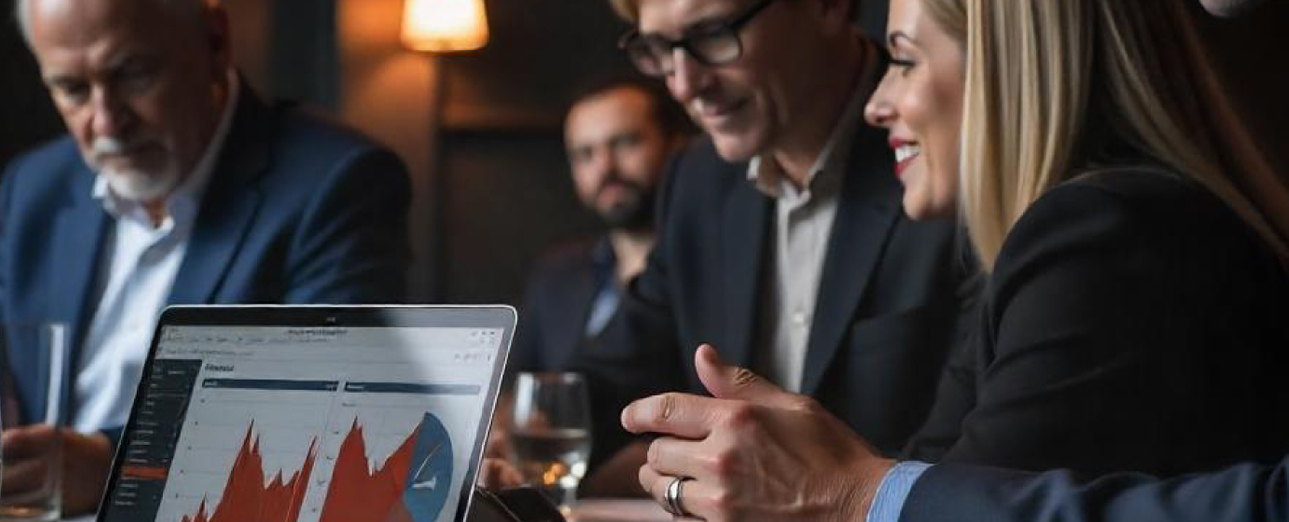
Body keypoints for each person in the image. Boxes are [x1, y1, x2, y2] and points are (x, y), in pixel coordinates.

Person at [620, 0, 1289, 520]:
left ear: (1011, 73)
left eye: (904, 61)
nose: (878, 103)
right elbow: (930, 474)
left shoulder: (1102, 238)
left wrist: (832, 493)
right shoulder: (1066, 235)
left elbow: (910, 503)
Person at [0, 0, 411, 515]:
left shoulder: (337, 183)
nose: (106, 122)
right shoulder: (35, 187)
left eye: (134, 74)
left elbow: (323, 418)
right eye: (72, 89)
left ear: (214, 43)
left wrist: (113, 465)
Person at [574, 0, 970, 481]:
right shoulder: (697, 179)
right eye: (659, 49)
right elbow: (616, 374)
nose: (682, 84)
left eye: (713, 35)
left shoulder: (947, 152)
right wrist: (503, 433)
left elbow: (974, 456)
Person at [508, 75, 692, 376]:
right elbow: (518, 393)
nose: (605, 167)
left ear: (676, 145)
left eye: (625, 143)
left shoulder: (709, 268)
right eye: (585, 154)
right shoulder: (555, 274)